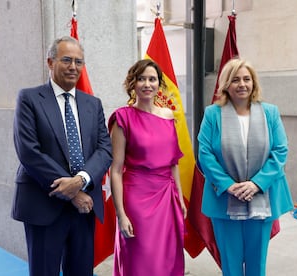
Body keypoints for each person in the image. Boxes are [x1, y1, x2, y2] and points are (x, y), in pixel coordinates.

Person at [12, 36, 112, 276]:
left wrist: (81, 182)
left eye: (79, 61)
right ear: (50, 62)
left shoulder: (93, 103)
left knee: (81, 271)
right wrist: (72, 193)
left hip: (84, 207)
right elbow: (28, 152)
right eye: (66, 60)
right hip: (43, 202)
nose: (73, 67)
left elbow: (104, 149)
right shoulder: (29, 98)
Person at [197, 58, 293, 276]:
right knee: (230, 262)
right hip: (224, 198)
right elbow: (205, 153)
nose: (242, 84)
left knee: (256, 262)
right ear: (226, 85)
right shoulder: (213, 114)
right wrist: (229, 185)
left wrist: (256, 184)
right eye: (235, 80)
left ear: (254, 83)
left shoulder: (270, 112)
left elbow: (280, 151)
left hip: (262, 197)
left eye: (247, 79)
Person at [109, 59, 187, 276]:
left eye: (152, 79)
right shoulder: (122, 117)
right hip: (137, 198)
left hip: (166, 197)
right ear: (132, 83)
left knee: (167, 258)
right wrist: (121, 214)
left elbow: (173, 162)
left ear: (159, 84)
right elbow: (115, 170)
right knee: (140, 260)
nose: (147, 84)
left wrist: (179, 197)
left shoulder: (168, 116)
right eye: (141, 79)